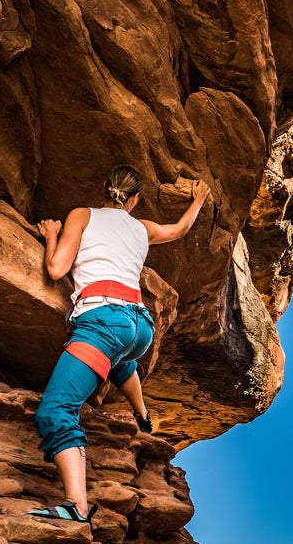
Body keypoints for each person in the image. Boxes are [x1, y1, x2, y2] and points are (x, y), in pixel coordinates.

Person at [27, 165, 210, 525]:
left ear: (105, 190)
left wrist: (52, 233)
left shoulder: (82, 215)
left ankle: (75, 507)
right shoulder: (142, 228)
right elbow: (180, 229)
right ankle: (142, 413)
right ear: (136, 199)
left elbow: (56, 269)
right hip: (140, 328)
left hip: (103, 319)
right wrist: (199, 199)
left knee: (56, 410)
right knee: (117, 359)